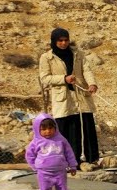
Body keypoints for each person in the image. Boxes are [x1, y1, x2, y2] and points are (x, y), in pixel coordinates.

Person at [38, 28, 101, 164]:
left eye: (66, 40)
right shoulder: (46, 58)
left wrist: (92, 84)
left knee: (85, 126)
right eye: (60, 40)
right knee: (66, 129)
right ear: (54, 41)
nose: (64, 43)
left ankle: (90, 159)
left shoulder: (78, 53)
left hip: (81, 95)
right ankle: (68, 162)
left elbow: (86, 70)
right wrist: (64, 79)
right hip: (63, 98)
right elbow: (45, 78)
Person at [26, 113, 78, 190]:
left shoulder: (61, 140)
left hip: (60, 171)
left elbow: (69, 153)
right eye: (43, 129)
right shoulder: (36, 142)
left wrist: (73, 165)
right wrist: (35, 166)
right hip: (43, 173)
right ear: (37, 129)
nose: (48, 131)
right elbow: (29, 155)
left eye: (50, 128)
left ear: (55, 127)